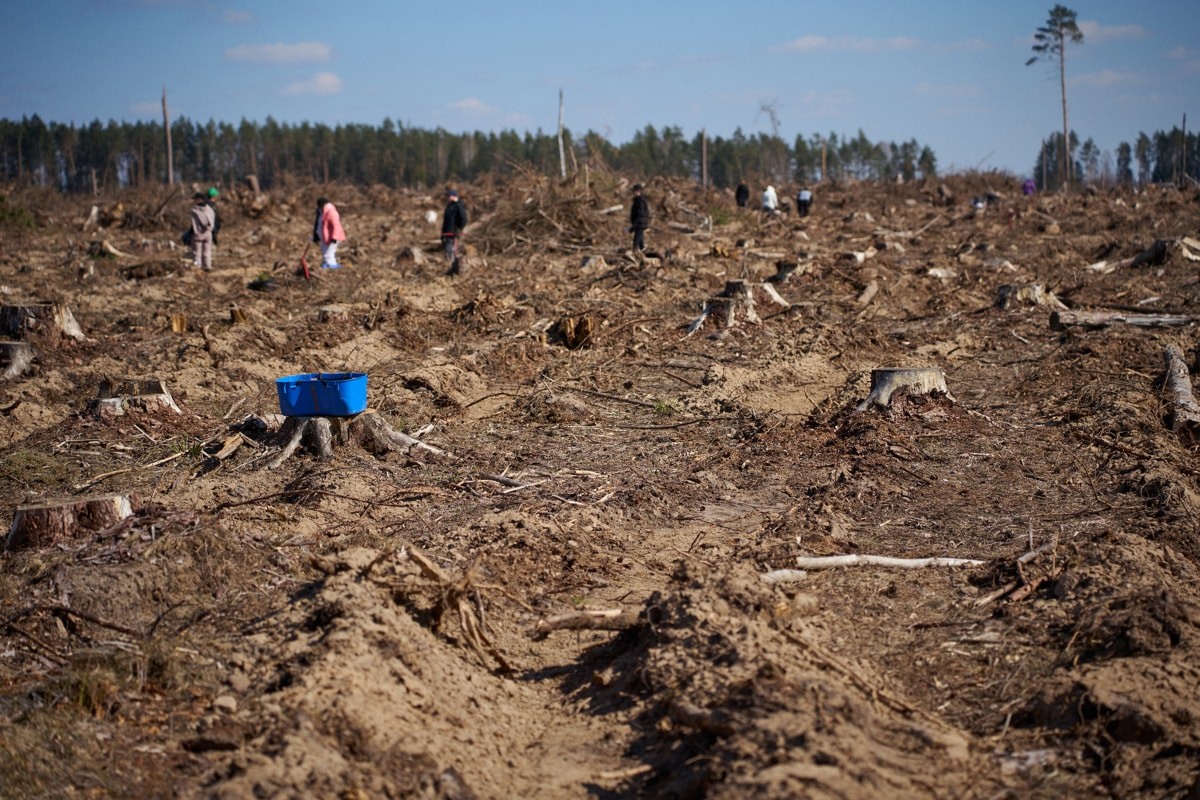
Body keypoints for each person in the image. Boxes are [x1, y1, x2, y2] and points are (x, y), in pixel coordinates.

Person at [313, 197, 346, 269]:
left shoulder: (331, 212)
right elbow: (318, 224)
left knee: (329, 254)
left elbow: (336, 225)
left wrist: (334, 237)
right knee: (325, 253)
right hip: (325, 238)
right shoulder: (321, 212)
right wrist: (316, 236)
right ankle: (328, 265)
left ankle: (331, 267)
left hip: (332, 238)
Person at [441, 188, 468, 271]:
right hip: (447, 233)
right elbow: (445, 221)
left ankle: (454, 268)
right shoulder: (449, 206)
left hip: (454, 233)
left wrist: (459, 229)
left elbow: (464, 219)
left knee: (452, 251)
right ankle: (448, 267)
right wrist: (442, 233)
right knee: (447, 250)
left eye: (448, 196)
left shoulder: (458, 205)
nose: (447, 198)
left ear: (453, 196)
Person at [189, 192, 216, 271]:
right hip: (208, 233)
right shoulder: (209, 209)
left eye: (196, 199)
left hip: (198, 234)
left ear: (199, 200)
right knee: (207, 252)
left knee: (196, 253)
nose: (194, 201)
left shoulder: (195, 210)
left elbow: (194, 223)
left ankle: (197, 266)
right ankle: (207, 266)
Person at [629, 183, 650, 253]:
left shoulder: (640, 201)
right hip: (640, 223)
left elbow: (639, 214)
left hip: (640, 223)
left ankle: (634, 251)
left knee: (636, 239)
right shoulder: (638, 200)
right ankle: (643, 250)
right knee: (640, 239)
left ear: (639, 191)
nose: (634, 193)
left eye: (635, 191)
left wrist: (635, 224)